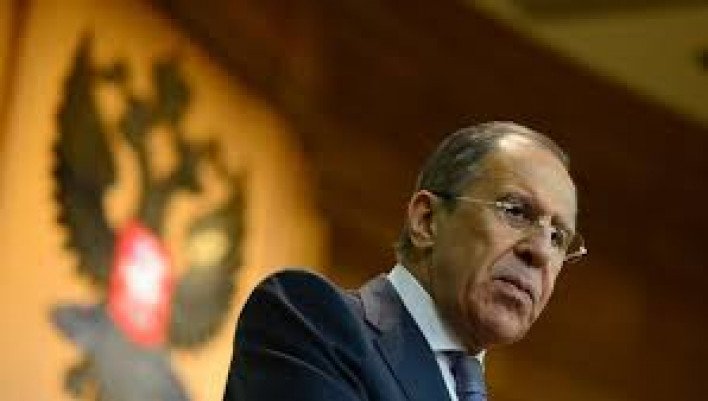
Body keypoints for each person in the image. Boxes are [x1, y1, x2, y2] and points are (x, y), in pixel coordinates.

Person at [222, 121, 587, 401]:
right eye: (516, 211)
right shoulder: (309, 322)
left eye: (558, 237)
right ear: (426, 221)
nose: (540, 252)